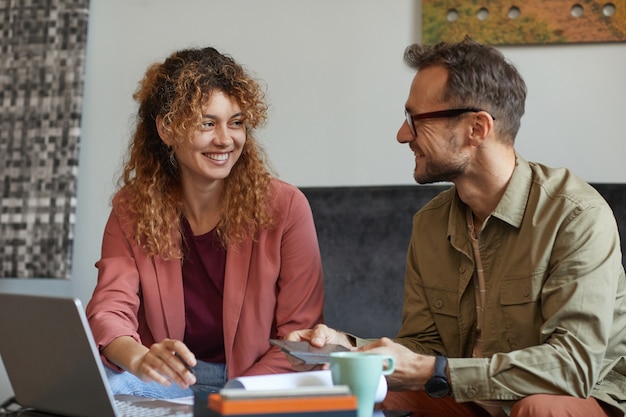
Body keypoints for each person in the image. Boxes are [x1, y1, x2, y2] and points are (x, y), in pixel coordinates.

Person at [286, 38, 626, 417]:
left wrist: (437, 372)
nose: (402, 134)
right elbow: (424, 347)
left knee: (538, 409)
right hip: (471, 398)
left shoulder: (575, 216)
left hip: (581, 397)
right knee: (367, 393)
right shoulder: (430, 223)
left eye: (417, 119)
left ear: (476, 128)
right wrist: (346, 349)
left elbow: (571, 369)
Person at [86, 46, 325, 398]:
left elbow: (300, 335)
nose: (226, 139)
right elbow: (110, 308)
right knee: (94, 391)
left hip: (257, 381)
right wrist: (139, 359)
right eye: (207, 123)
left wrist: (234, 396)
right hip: (165, 382)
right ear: (167, 129)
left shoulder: (287, 207)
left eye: (237, 123)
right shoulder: (131, 207)